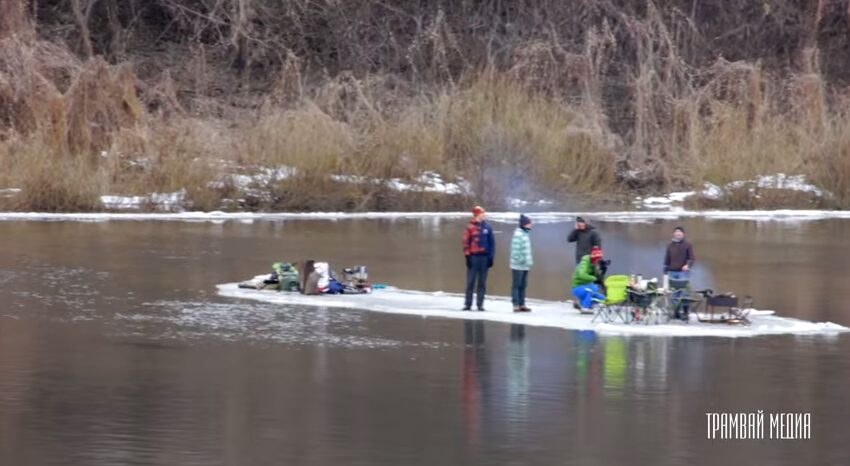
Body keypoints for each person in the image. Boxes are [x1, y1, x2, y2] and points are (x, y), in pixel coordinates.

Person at [462, 205, 495, 311]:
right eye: (482, 213)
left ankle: (480, 304)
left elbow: (492, 243)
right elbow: (465, 242)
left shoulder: (487, 227)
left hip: (484, 258)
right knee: (470, 282)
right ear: (477, 214)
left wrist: (491, 257)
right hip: (473, 257)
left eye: (484, 213)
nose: (484, 214)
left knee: (482, 283)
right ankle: (468, 304)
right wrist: (467, 256)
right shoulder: (470, 227)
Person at [663, 226, 696, 320]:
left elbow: (692, 258)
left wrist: (688, 265)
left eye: (680, 232)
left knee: (685, 293)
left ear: (683, 234)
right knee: (674, 294)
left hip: (683, 273)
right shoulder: (670, 245)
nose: (678, 233)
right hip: (672, 272)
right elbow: (667, 259)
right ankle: (676, 312)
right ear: (674, 234)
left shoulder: (687, 245)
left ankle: (685, 313)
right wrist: (665, 269)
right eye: (676, 232)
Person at [510, 214, 534, 312]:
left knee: (523, 285)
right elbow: (515, 251)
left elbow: (526, 251)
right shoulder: (518, 234)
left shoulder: (525, 234)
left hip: (525, 265)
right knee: (517, 285)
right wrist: (520, 260)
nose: (531, 225)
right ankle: (515, 304)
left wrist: (528, 262)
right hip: (517, 265)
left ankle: (522, 304)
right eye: (529, 223)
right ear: (524, 224)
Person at [571, 246, 606, 312]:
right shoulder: (585, 263)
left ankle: (582, 303)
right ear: (594, 258)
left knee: (602, 298)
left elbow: (598, 277)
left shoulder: (594, 264)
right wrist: (593, 278)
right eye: (597, 259)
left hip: (587, 285)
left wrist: (603, 270)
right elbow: (581, 274)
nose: (598, 261)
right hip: (577, 287)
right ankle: (585, 308)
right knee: (590, 291)